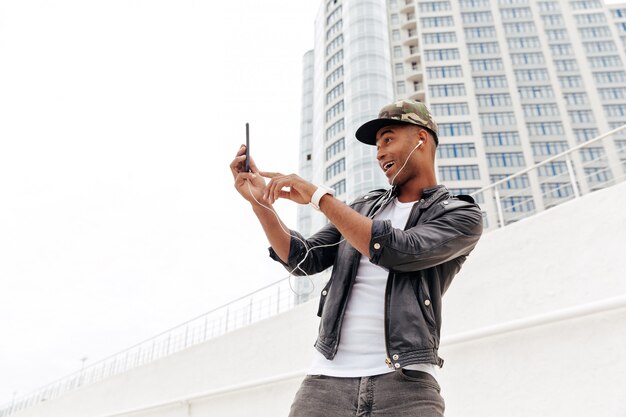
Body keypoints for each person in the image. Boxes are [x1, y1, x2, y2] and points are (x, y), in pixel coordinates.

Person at [229, 99, 483, 417]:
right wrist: (260, 204)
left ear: (421, 137)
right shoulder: (361, 208)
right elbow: (303, 258)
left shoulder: (459, 214)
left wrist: (319, 197)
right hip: (325, 386)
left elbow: (397, 250)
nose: (379, 153)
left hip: (407, 387)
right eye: (376, 146)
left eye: (388, 139)